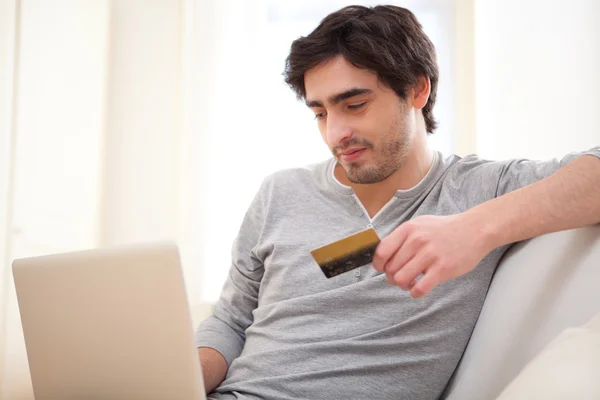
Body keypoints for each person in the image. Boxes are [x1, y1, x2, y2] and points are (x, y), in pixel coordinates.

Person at [195, 5, 600, 399]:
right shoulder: (280, 193)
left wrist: (473, 228)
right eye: (320, 113)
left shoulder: (479, 190)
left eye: (355, 105)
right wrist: (183, 377)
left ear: (417, 90)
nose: (336, 133)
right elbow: (231, 321)